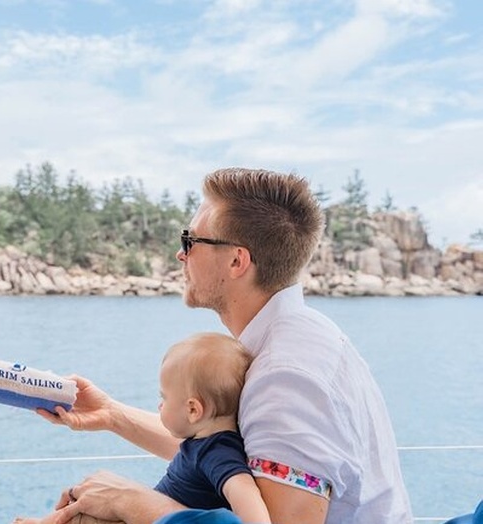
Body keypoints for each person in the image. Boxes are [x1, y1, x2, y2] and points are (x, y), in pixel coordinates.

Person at [33, 168, 413, 524]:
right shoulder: (300, 335)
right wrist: (112, 415)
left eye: (191, 240)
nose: (181, 254)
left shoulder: (287, 377)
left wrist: (129, 500)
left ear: (236, 260)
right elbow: (220, 455)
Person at [15, 333, 270, 524]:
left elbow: (248, 500)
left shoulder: (217, 453)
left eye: (165, 398)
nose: (160, 405)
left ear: (193, 410)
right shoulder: (204, 442)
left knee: (86, 514)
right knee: (87, 501)